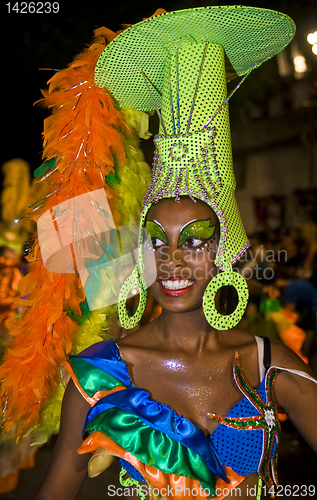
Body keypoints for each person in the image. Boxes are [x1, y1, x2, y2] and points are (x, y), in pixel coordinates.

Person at [2, 6, 317, 500]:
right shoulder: (99, 374)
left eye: (195, 240)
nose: (171, 261)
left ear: (225, 248)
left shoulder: (269, 364)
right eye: (155, 239)